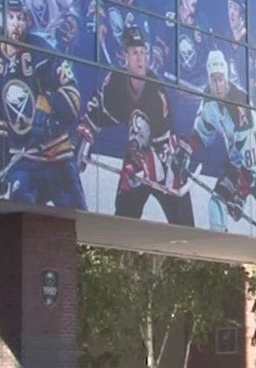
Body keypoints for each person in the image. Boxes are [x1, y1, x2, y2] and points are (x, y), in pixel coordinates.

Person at [79, 25, 191, 225]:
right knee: (122, 220)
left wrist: (142, 165)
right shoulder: (115, 80)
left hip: (165, 161)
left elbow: (163, 142)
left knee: (187, 230)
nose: (140, 58)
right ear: (125, 56)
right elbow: (100, 112)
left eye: (142, 52)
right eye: (134, 52)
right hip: (137, 155)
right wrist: (85, 136)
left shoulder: (156, 92)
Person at [0, 0, 85, 208]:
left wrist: (49, 107)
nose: (16, 24)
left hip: (57, 158)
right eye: (10, 17)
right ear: (1, 17)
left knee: (80, 222)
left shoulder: (42, 52)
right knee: (17, 218)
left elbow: (74, 94)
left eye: (20, 17)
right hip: (23, 161)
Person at [178, 49, 256, 234]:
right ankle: (222, 244)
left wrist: (242, 192)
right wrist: (186, 149)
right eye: (214, 80)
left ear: (227, 77)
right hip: (236, 162)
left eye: (221, 78)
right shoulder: (209, 101)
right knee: (216, 205)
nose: (218, 85)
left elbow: (250, 151)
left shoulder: (239, 102)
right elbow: (202, 133)